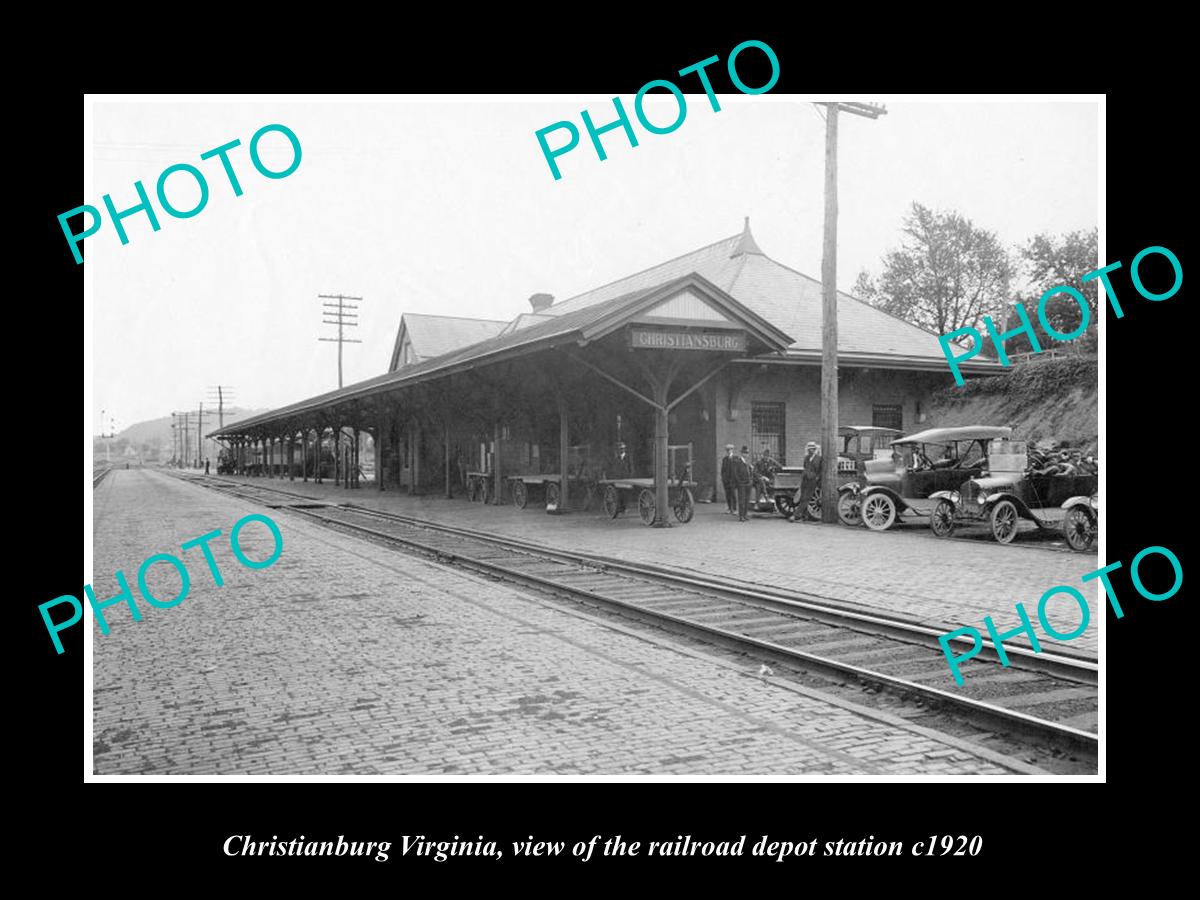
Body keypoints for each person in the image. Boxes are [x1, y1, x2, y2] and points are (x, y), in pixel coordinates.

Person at [793, 441, 823, 522]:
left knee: (807, 498)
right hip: (805, 479)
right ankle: (804, 516)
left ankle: (796, 515)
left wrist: (817, 478)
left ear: (815, 449)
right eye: (809, 449)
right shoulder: (806, 457)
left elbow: (821, 470)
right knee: (802, 497)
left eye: (812, 449)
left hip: (812, 480)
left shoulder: (819, 459)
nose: (810, 450)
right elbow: (805, 467)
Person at [731, 445, 754, 521]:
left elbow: (750, 472)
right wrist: (739, 482)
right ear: (742, 453)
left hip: (748, 484)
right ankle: (741, 516)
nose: (746, 455)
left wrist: (750, 480)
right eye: (745, 453)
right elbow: (735, 473)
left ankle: (745, 514)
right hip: (741, 484)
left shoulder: (747, 462)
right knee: (741, 500)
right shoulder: (737, 462)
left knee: (746, 500)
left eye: (747, 453)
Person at [720, 444, 736, 514]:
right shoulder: (725, 459)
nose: (729, 451)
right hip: (726, 480)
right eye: (728, 450)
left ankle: (734, 509)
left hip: (733, 480)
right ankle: (729, 508)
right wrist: (723, 478)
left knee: (733, 494)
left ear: (732, 450)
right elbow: (723, 470)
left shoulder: (735, 458)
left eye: (730, 450)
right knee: (728, 494)